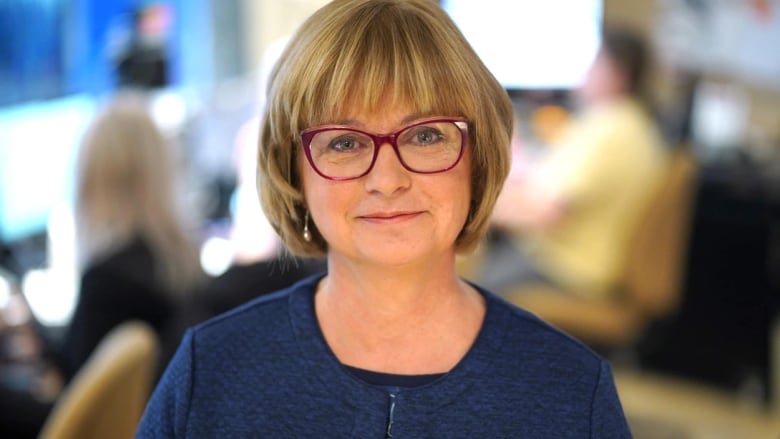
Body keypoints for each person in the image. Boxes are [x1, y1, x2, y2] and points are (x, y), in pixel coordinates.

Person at [137, 1, 631, 437]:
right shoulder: (211, 371)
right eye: (345, 143)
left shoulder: (571, 393)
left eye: (425, 136)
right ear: (293, 172)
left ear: (478, 159)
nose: (387, 179)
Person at [0, 93, 205, 439]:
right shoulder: (175, 261)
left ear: (94, 177)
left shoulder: (109, 281)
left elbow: (78, 408)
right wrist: (33, 330)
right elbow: (91, 374)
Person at [484, 25, 670, 300]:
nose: (585, 74)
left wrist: (477, 211)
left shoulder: (611, 129)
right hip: (569, 259)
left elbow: (544, 212)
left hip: (568, 270)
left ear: (616, 74)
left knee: (464, 294)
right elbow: (552, 179)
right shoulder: (630, 123)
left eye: (594, 64)